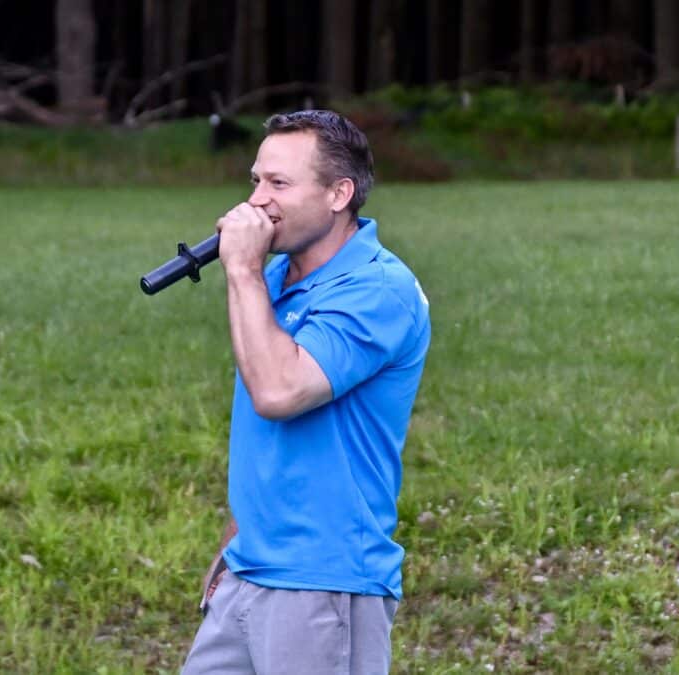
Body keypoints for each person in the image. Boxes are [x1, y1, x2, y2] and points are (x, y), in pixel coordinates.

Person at [181, 110, 431, 675]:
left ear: (339, 193)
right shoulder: (276, 281)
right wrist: (235, 543)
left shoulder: (378, 290)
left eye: (279, 184)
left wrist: (240, 272)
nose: (257, 201)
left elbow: (277, 392)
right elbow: (266, 432)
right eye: (255, 180)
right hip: (249, 574)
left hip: (323, 584)